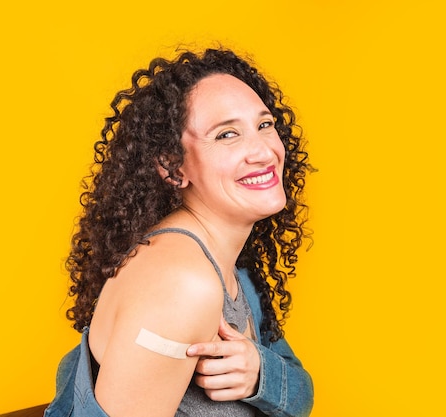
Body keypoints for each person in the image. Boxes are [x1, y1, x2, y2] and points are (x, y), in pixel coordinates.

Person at [44, 46, 314, 417]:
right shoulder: (182, 284)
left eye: (264, 124)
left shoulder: (235, 267)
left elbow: (302, 391)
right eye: (226, 135)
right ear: (173, 168)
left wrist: (261, 375)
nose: (264, 152)